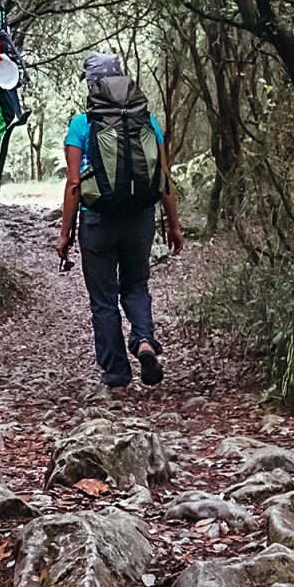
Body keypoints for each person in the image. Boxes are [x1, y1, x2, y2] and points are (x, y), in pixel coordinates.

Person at [55, 51, 184, 388]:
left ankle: (116, 373)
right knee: (136, 285)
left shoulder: (82, 124)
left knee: (103, 299)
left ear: (93, 85)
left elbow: (73, 184)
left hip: (96, 219)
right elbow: (164, 176)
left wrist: (65, 232)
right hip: (140, 218)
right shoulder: (147, 120)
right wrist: (174, 224)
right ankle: (143, 340)